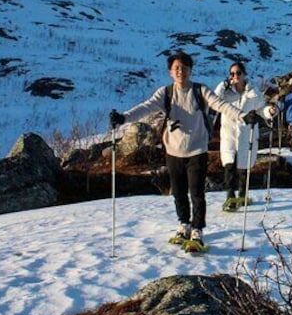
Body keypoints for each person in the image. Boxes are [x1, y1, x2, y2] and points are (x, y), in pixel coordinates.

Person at [109, 51, 263, 253]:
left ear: (190, 70)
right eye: (176, 68)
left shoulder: (200, 91)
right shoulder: (165, 93)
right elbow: (145, 108)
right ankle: (184, 224)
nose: (180, 71)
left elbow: (222, 105)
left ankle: (197, 229)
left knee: (197, 193)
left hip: (197, 150)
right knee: (179, 193)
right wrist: (124, 118)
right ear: (170, 72)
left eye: (184, 68)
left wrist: (243, 116)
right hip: (173, 151)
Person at [214, 61, 275, 211]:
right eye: (232, 74)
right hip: (229, 132)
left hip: (247, 133)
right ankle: (230, 196)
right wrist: (223, 85)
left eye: (238, 73)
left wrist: (269, 112)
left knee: (243, 166)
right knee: (228, 164)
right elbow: (213, 100)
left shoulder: (253, 92)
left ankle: (242, 194)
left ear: (244, 75)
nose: (235, 76)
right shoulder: (225, 92)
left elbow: (261, 108)